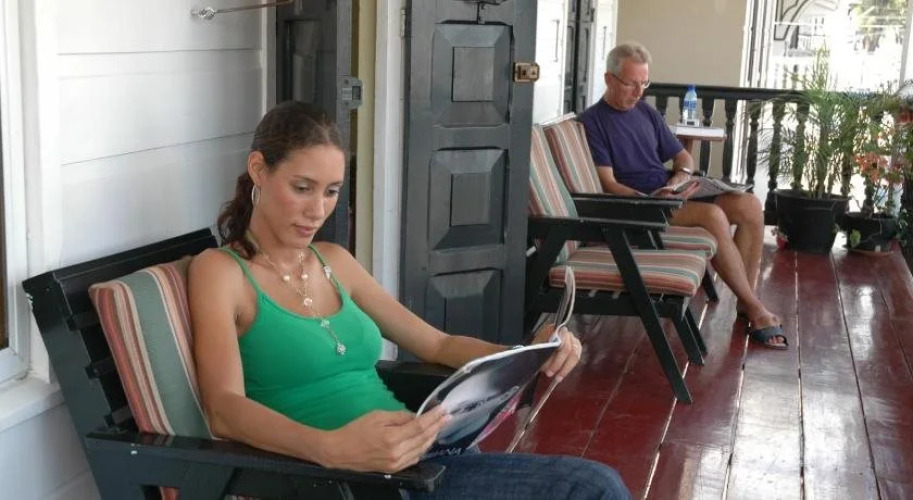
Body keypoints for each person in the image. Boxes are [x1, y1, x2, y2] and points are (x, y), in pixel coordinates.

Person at [188, 100, 631, 499]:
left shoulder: (334, 261)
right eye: (302, 187)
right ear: (259, 170)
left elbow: (437, 344)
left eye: (331, 191)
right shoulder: (222, 272)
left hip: (427, 457)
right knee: (592, 487)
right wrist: (330, 448)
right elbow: (224, 409)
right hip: (349, 481)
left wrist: (530, 353)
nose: (317, 210)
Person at [578, 42, 787, 350]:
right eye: (631, 84)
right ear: (609, 79)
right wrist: (651, 199)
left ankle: (746, 302)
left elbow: (683, 157)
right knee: (712, 216)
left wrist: (681, 177)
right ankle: (755, 308)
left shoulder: (645, 112)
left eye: (644, 83)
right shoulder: (592, 122)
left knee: (750, 206)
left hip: (671, 191)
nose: (638, 92)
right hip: (640, 205)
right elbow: (609, 184)